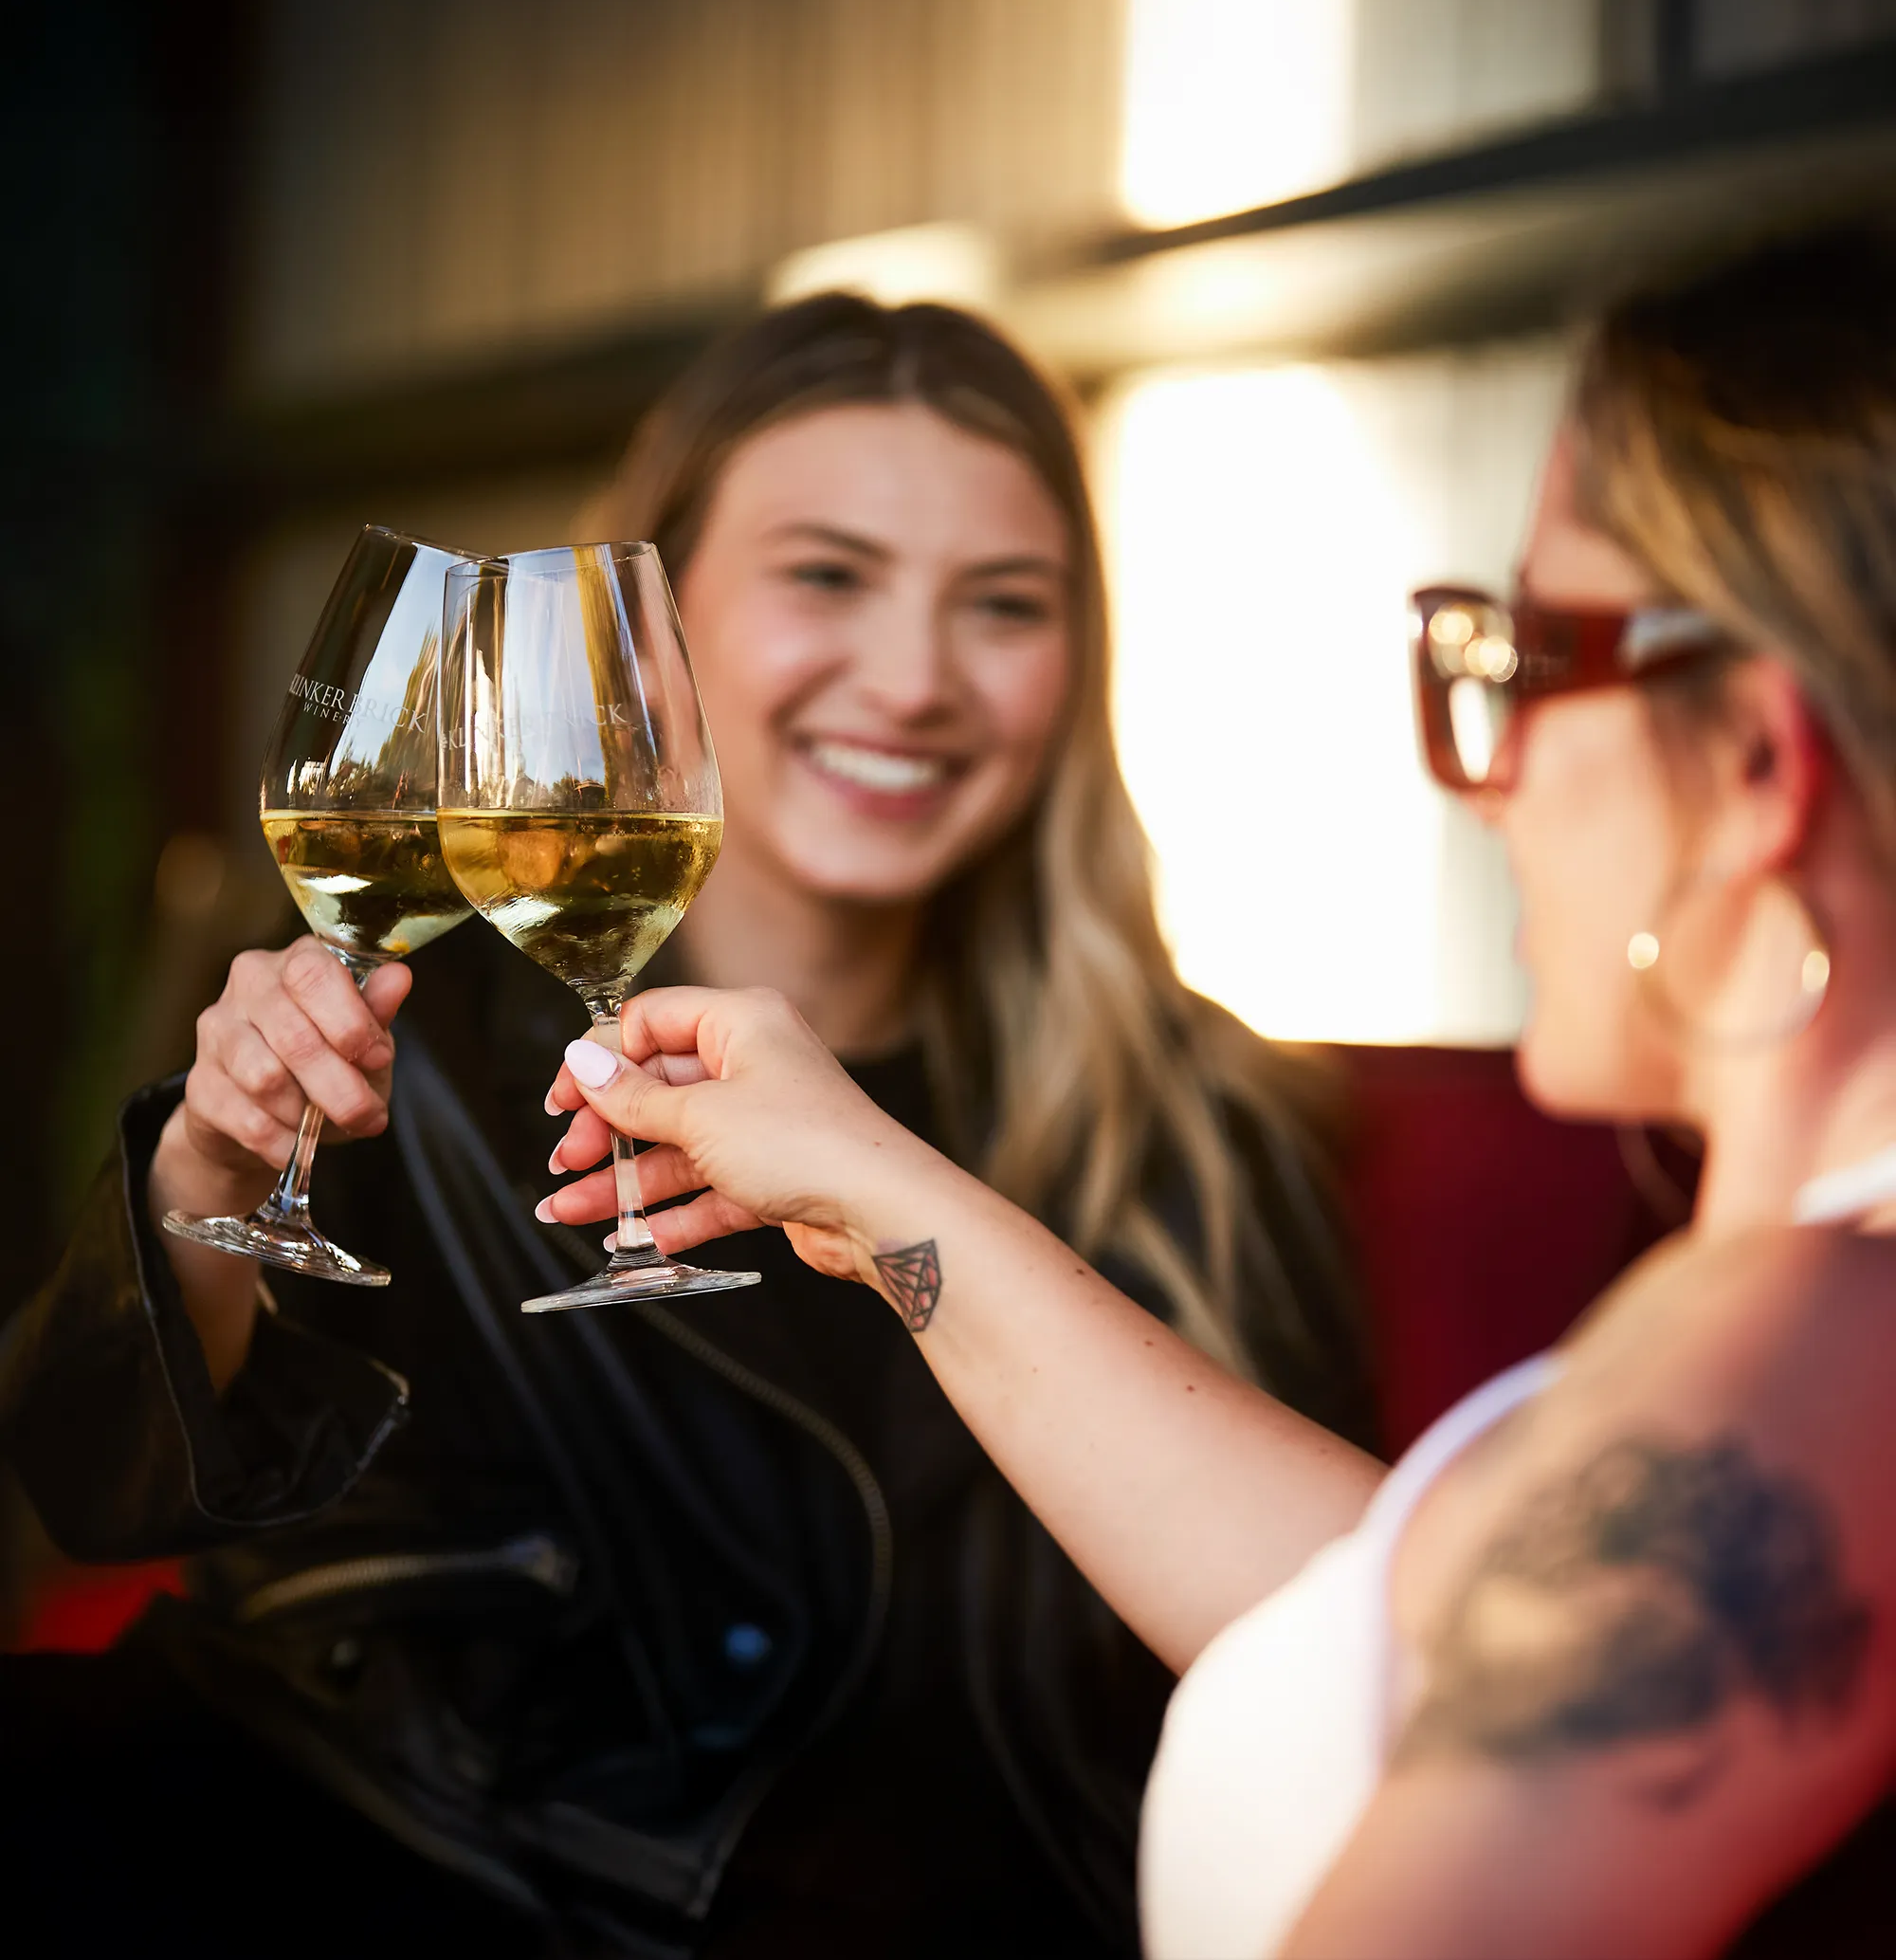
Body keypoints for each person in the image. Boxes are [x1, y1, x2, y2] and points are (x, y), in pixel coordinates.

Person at [534, 226, 1896, 1957]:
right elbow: (1368, 1627)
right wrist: (881, 1193)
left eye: (1527, 664)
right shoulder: (1793, 1327)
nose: (1485, 785)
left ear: (1758, 762)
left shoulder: (1805, 1354)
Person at [0, 294, 1369, 1958]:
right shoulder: (414, 1023)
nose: (914, 680)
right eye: (829, 577)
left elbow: (1325, 1664)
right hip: (332, 1864)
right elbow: (94, 1485)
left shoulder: (1199, 1125)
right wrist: (208, 1167)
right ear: (646, 629)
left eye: (1005, 604)